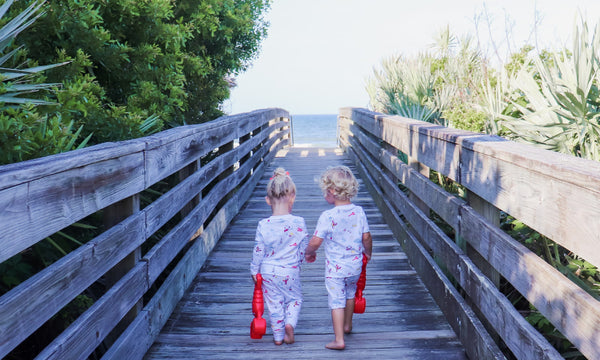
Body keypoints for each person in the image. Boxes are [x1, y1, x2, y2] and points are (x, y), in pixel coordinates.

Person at [305, 165, 373, 350]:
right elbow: (366, 237)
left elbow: (316, 240)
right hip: (355, 266)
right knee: (350, 294)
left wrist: (309, 252)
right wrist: (368, 252)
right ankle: (348, 325)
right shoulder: (359, 212)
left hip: (336, 269)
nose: (324, 194)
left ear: (333, 191)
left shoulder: (327, 216)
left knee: (336, 300)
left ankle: (339, 339)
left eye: (325, 191)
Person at [250, 168, 309, 345]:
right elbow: (303, 248)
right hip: (290, 270)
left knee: (274, 304)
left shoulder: (263, 224)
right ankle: (289, 324)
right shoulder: (299, 222)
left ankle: (277, 337)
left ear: (268, 200)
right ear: (292, 197)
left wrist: (254, 270)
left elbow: (258, 250)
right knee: (294, 299)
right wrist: (298, 264)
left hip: (268, 271)